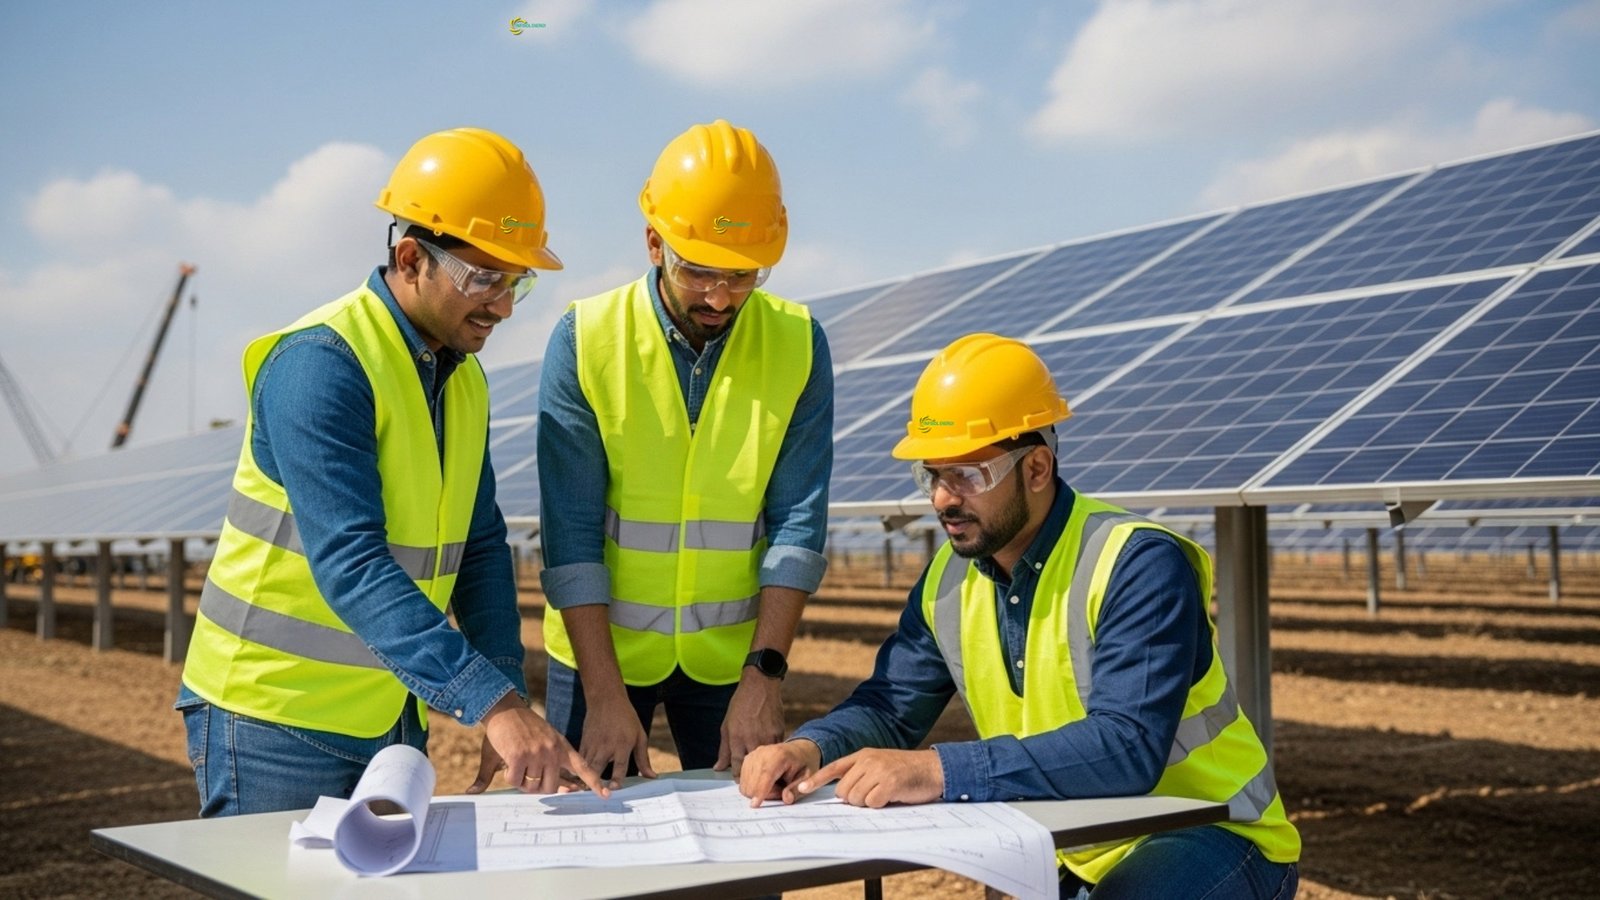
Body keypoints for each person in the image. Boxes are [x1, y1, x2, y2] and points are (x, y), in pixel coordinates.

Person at [740, 334, 1300, 898]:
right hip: (1071, 840)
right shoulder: (949, 579)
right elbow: (889, 708)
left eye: (968, 476)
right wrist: (811, 748)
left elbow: (1129, 744)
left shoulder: (1137, 562)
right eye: (933, 475)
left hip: (1207, 828)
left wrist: (937, 770)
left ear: (1036, 467)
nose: (942, 500)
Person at [177, 128, 603, 817]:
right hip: (269, 716)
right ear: (411, 258)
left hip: (386, 715)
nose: (500, 305)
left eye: (513, 283)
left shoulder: (463, 380)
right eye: (482, 278)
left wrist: (504, 686)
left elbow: (482, 545)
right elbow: (350, 558)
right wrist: (489, 705)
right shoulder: (320, 365)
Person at [537, 119, 833, 785]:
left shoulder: (798, 343)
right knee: (592, 860)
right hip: (599, 660)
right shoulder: (585, 339)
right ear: (653, 242)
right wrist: (605, 697)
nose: (722, 297)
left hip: (734, 664)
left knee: (751, 864)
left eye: (742, 275)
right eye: (699, 271)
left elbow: (798, 521)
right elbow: (572, 531)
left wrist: (765, 677)